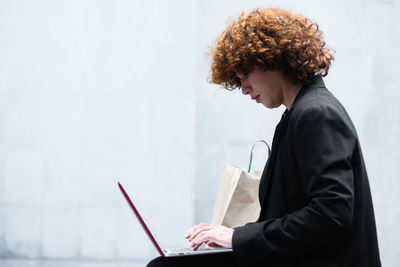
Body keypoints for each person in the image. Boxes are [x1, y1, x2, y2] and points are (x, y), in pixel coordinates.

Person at [147, 7, 381, 267]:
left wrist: (237, 237)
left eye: (246, 74)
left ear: (274, 58)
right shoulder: (298, 114)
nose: (244, 89)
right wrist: (229, 237)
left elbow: (331, 213)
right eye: (238, 80)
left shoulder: (317, 113)